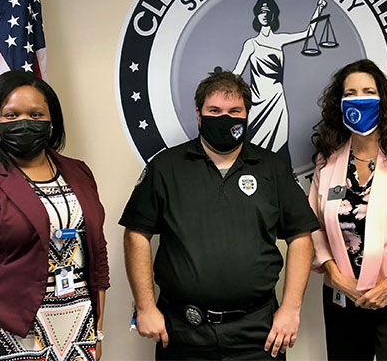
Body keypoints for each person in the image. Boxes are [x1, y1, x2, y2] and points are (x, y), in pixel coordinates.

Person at [120, 71, 319, 360]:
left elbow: (301, 237)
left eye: (234, 111)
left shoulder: (273, 168)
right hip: (184, 329)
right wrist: (145, 306)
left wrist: (290, 309)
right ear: (199, 115)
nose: (224, 118)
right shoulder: (166, 167)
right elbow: (136, 234)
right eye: (214, 111)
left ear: (247, 115)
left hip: (257, 332)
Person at [0, 70, 109, 361]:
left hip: (77, 341)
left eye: (36, 114)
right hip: (0, 345)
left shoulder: (79, 172)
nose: (25, 123)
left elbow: (97, 257)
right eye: (11, 116)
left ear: (52, 122)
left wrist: (97, 334)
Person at [309, 59, 387, 360]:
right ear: (339, 103)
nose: (359, 99)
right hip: (344, 293)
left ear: (384, 99)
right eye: (350, 93)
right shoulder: (327, 160)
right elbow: (313, 224)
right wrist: (333, 274)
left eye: (368, 91)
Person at [233, 0, 326, 159]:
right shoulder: (251, 44)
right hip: (257, 101)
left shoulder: (280, 40)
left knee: (279, 142)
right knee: (253, 141)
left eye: (268, 11)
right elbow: (237, 73)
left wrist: (319, 9)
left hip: (276, 100)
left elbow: (308, 33)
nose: (264, 14)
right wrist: (219, 80)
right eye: (261, 11)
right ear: (257, 16)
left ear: (273, 15)